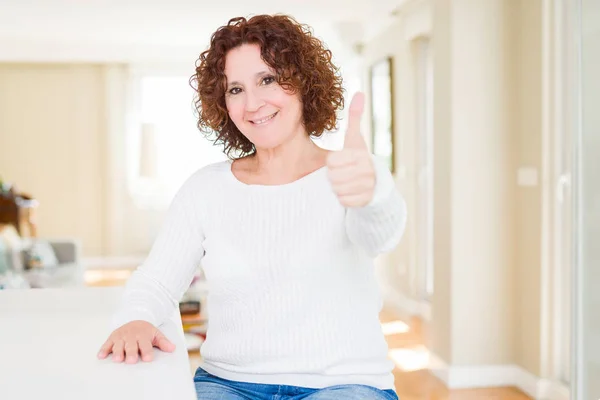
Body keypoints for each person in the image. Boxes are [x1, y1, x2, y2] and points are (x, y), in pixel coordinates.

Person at [97, 14, 407, 400]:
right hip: (228, 383)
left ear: (303, 82)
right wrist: (136, 319)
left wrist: (371, 196)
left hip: (345, 384)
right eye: (235, 89)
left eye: (267, 80)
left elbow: (380, 233)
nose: (253, 103)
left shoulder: (353, 173)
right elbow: (157, 281)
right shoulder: (206, 188)